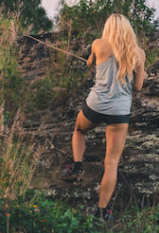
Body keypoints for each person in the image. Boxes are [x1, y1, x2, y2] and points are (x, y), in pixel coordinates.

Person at [63, 14, 147, 220]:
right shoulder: (138, 53)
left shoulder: (98, 44)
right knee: (111, 162)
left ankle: (77, 166)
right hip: (119, 111)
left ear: (108, 28)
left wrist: (92, 59)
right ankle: (102, 211)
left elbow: (89, 64)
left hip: (96, 104)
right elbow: (138, 86)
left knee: (79, 130)